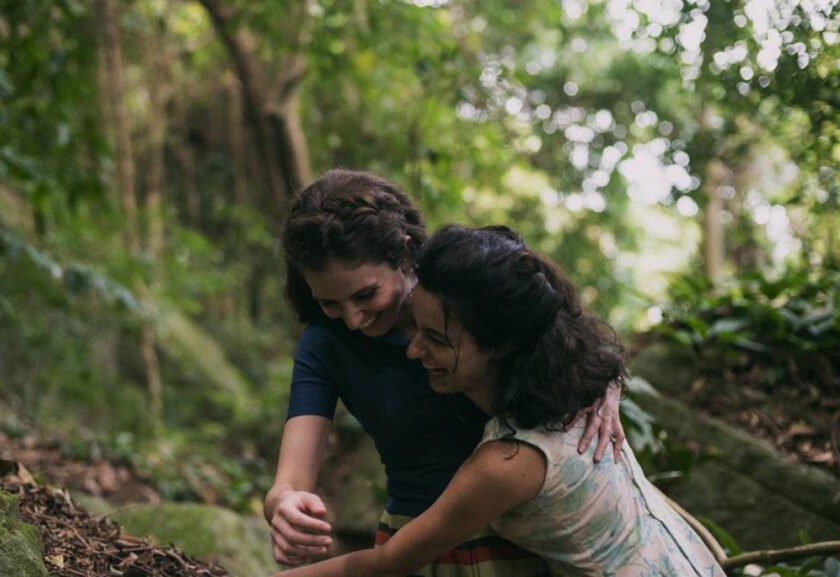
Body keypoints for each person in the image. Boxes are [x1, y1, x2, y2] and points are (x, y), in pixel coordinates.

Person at [272, 224, 724, 577]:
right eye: (330, 304)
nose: (411, 350)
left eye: (433, 338)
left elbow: (387, 563)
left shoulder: (508, 457)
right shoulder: (557, 397)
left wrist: (609, 386)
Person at [266, 169, 626, 576]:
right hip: (409, 541)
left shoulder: (467, 295)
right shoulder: (325, 342)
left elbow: (560, 338)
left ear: (404, 254)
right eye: (330, 303)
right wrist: (284, 505)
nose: (352, 319)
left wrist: (607, 387)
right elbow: (289, 480)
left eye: (366, 294)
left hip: (514, 538)